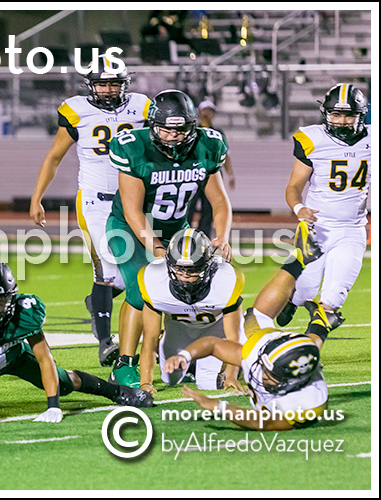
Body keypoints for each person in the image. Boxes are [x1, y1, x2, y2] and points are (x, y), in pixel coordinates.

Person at [0, 258, 154, 425]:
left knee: (64, 383)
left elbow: (44, 358)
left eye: (0, 301)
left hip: (14, 356)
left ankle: (119, 392)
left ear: (12, 297)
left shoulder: (25, 312)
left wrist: (53, 405)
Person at [29, 54, 151, 367]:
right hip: (96, 202)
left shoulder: (142, 107)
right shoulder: (76, 110)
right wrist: (37, 197)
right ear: (91, 85)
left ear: (124, 84)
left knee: (139, 271)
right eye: (102, 84)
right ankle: (106, 343)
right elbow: (54, 157)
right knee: (107, 271)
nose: (108, 90)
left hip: (134, 201)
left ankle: (97, 304)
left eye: (114, 84)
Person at [106, 89, 233, 389]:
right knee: (140, 290)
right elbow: (133, 211)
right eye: (166, 129)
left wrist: (222, 237)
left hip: (177, 228)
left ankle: (177, 354)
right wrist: (157, 249)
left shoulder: (207, 145)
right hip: (129, 228)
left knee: (188, 287)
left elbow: (219, 201)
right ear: (153, 126)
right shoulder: (134, 148)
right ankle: (124, 363)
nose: (173, 136)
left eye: (180, 129)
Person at [164, 222, 335, 431]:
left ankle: (321, 323)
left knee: (305, 341)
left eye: (267, 373)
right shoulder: (258, 355)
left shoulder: (309, 404)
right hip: (275, 345)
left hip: (296, 370)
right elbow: (213, 345)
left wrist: (220, 407)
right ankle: (300, 267)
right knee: (257, 317)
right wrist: (185, 356)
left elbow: (264, 423)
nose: (259, 371)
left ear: (287, 382)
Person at [276, 83, 371, 330]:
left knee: (335, 293)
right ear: (326, 113)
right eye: (336, 114)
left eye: (348, 115)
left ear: (361, 115)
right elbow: (293, 186)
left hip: (352, 229)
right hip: (316, 227)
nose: (341, 121)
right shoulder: (312, 139)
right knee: (305, 288)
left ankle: (311, 341)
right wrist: (299, 208)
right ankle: (293, 300)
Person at [137, 228, 245, 396]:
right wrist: (145, 383)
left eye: (193, 269)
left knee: (209, 383)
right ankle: (189, 358)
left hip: (215, 330)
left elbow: (233, 338)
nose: (185, 276)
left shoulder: (225, 280)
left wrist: (231, 376)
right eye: (179, 269)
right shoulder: (154, 280)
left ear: (209, 266)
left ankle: (248, 330)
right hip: (178, 329)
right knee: (169, 378)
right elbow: (149, 340)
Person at [187, 100, 237, 238]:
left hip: (212, 176)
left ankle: (203, 237)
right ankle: (185, 235)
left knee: (208, 208)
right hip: (193, 175)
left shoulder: (218, 133)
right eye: (205, 110)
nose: (207, 113)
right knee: (189, 206)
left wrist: (230, 174)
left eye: (210, 111)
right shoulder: (192, 131)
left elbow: (225, 155)